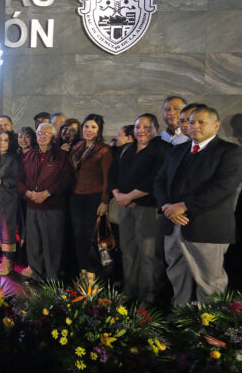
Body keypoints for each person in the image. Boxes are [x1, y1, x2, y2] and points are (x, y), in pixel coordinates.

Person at [154, 105, 242, 305]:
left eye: (201, 122)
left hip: (206, 228)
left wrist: (184, 206)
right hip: (173, 225)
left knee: (210, 282)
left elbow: (223, 188)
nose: (194, 126)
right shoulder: (178, 151)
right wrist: (167, 207)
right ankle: (182, 321)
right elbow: (159, 182)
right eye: (191, 122)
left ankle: (210, 328)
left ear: (216, 125)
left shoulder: (230, 152)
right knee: (177, 275)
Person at [109, 113, 171, 304]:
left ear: (156, 129)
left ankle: (147, 296)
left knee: (149, 254)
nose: (141, 131)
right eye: (137, 127)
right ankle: (130, 289)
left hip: (149, 209)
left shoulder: (164, 149)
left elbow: (156, 178)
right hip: (126, 207)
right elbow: (113, 173)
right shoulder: (126, 148)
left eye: (146, 127)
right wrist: (118, 195)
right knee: (128, 250)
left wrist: (130, 196)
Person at [17, 123, 74, 281]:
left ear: (53, 137)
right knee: (33, 243)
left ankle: (51, 279)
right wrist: (28, 193)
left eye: (46, 134)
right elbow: (20, 180)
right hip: (32, 204)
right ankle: (36, 274)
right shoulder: (29, 155)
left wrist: (47, 193)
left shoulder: (61, 156)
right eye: (39, 133)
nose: (41, 136)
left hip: (52, 206)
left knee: (51, 245)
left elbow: (66, 180)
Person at [68, 114, 113, 282]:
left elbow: (107, 177)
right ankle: (83, 270)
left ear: (99, 129)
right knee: (78, 235)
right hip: (76, 196)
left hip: (93, 197)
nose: (89, 130)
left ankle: (92, 272)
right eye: (86, 126)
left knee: (89, 236)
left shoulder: (104, 149)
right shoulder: (77, 146)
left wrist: (105, 200)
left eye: (93, 127)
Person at [0, 131, 22, 276]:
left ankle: (9, 264)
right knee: (1, 230)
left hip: (10, 199)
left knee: (8, 231)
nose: (2, 143)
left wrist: (0, 181)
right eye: (0, 140)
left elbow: (17, 181)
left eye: (6, 140)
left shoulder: (13, 158)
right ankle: (4, 260)